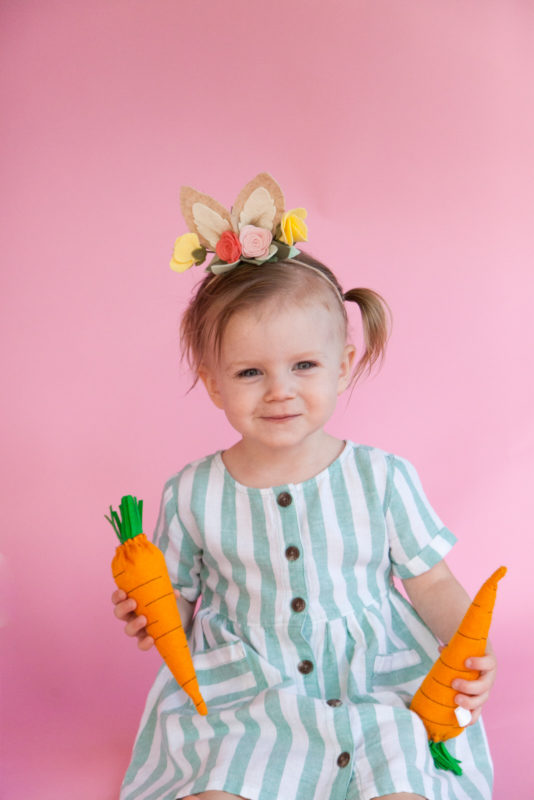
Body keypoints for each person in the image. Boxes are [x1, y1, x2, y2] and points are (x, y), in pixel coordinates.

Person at [112, 174, 496, 800]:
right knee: (219, 785)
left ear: (343, 365)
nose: (280, 390)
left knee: (402, 781)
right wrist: (149, 611)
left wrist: (471, 656)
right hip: (247, 690)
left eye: (304, 366)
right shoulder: (191, 493)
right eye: (249, 372)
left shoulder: (382, 477)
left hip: (376, 682)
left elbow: (433, 583)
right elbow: (175, 606)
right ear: (212, 383)